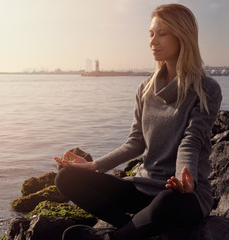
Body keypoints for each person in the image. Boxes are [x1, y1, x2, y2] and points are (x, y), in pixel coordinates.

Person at [54, 4, 222, 240]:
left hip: (185, 193)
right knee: (66, 178)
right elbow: (135, 143)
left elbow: (191, 141)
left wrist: (186, 177)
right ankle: (136, 231)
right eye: (151, 34)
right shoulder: (145, 89)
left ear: (182, 35)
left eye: (162, 34)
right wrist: (93, 166)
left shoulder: (206, 89)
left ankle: (114, 237)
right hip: (143, 185)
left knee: (169, 200)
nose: (153, 41)